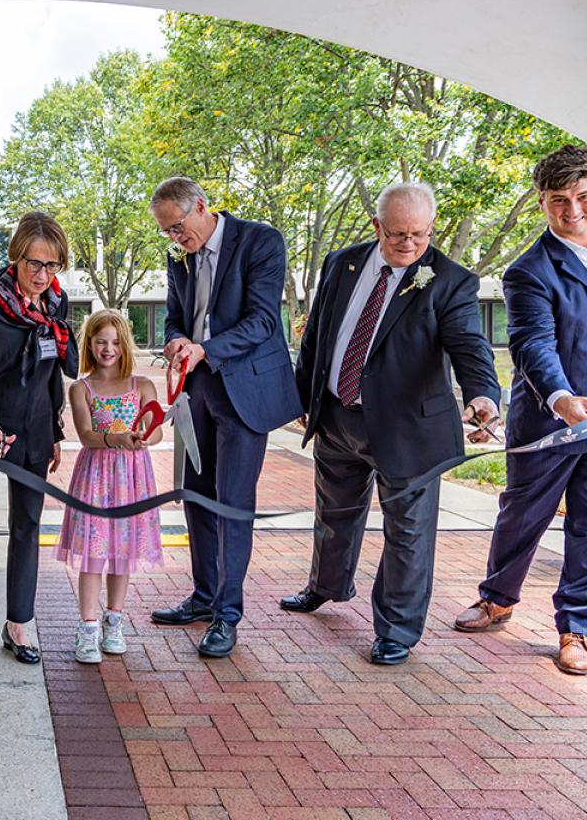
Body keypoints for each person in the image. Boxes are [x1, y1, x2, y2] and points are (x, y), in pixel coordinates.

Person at [288, 182, 500, 665]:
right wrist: (304, 395)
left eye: (420, 235)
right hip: (339, 413)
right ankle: (326, 586)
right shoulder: (342, 263)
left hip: (408, 429)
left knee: (407, 532)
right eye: (398, 234)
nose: (409, 244)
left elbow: (470, 345)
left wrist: (483, 394)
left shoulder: (451, 280)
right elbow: (319, 333)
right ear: (377, 226)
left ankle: (396, 631)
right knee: (333, 513)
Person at [147, 177, 302, 659]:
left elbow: (262, 322)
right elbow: (175, 314)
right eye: (167, 233)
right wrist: (176, 340)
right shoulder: (179, 257)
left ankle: (227, 615)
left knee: (233, 503)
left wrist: (205, 349)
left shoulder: (260, 241)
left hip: (243, 390)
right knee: (196, 496)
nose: (175, 239)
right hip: (195, 391)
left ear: (201, 207)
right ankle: (203, 595)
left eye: (178, 227)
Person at [453, 145, 587, 674]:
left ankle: (576, 626)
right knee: (522, 514)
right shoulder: (529, 270)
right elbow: (533, 343)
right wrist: (561, 399)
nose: (572, 211)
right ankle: (498, 597)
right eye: (559, 201)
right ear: (541, 203)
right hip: (548, 422)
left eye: (581, 197)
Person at [0, 211, 79, 676]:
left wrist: (56, 432)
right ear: (16, 257)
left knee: (27, 526)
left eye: (51, 265)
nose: (42, 274)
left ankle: (18, 624)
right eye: (34, 263)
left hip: (35, 427)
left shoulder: (55, 305)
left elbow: (54, 374)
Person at [55, 309, 165, 664]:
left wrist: (146, 436)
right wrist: (117, 438)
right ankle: (88, 627)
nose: (108, 348)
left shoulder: (142, 385)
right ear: (90, 344)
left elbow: (155, 428)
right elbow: (87, 435)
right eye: (101, 341)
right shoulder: (80, 388)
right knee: (94, 552)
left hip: (132, 479)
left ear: (125, 345)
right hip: (97, 479)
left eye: (116, 342)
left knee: (122, 552)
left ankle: (113, 621)